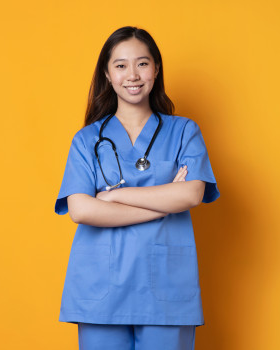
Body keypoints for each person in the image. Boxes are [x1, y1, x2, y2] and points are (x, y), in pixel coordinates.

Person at [55, 26, 220, 350]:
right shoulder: (87, 139)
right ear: (107, 73)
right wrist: (163, 202)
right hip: (99, 288)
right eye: (120, 65)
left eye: (142, 63)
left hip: (167, 289)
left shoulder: (184, 131)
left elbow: (190, 194)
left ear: (156, 69)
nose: (133, 74)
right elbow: (81, 209)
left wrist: (114, 195)